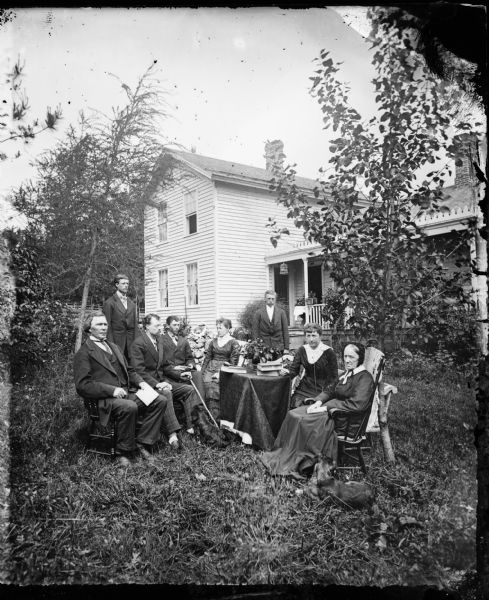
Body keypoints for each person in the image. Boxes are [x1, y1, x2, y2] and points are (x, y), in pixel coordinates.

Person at [260, 343, 374, 479]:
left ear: (360, 358)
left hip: (343, 419)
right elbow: (331, 389)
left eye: (351, 357)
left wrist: (326, 407)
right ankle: (283, 454)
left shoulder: (364, 378)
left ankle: (301, 463)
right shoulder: (348, 373)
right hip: (331, 411)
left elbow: (357, 405)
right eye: (345, 356)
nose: (347, 360)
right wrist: (318, 401)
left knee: (302, 421)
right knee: (293, 414)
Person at [74, 311, 167, 468]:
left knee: (159, 400)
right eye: (99, 324)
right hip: (104, 400)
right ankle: (122, 452)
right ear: (89, 328)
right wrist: (111, 390)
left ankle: (143, 442)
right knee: (129, 406)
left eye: (105, 324)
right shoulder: (84, 352)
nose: (104, 328)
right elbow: (83, 385)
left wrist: (142, 383)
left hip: (126, 393)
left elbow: (130, 370)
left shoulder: (114, 347)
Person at [128, 314, 184, 451]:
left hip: (161, 380)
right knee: (166, 393)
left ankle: (193, 427)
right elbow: (138, 371)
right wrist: (157, 384)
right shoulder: (138, 344)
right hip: (144, 386)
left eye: (160, 325)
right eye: (156, 325)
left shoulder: (159, 341)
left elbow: (164, 366)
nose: (160, 328)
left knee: (188, 390)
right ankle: (173, 435)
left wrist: (172, 377)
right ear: (146, 326)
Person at [280, 323, 338, 409]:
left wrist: (325, 394)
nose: (311, 339)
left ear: (320, 336)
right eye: (308, 336)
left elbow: (334, 379)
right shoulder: (302, 350)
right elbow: (294, 371)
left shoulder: (329, 352)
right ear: (305, 337)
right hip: (304, 389)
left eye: (314, 335)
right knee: (294, 407)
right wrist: (286, 373)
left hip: (322, 391)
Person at [201, 318, 241, 419]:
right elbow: (208, 358)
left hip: (224, 370)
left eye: (221, 328)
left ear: (228, 328)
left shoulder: (233, 343)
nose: (218, 330)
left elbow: (233, 362)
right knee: (205, 385)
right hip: (210, 369)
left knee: (215, 388)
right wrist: (202, 372)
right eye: (217, 328)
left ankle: (217, 418)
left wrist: (221, 373)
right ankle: (207, 416)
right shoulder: (213, 341)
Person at [102, 273, 137, 360]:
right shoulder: (109, 303)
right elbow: (107, 325)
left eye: (127, 284)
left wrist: (137, 343)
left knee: (131, 367)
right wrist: (110, 345)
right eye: (123, 283)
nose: (126, 286)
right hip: (116, 342)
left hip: (130, 343)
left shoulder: (132, 304)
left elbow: (135, 325)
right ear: (117, 285)